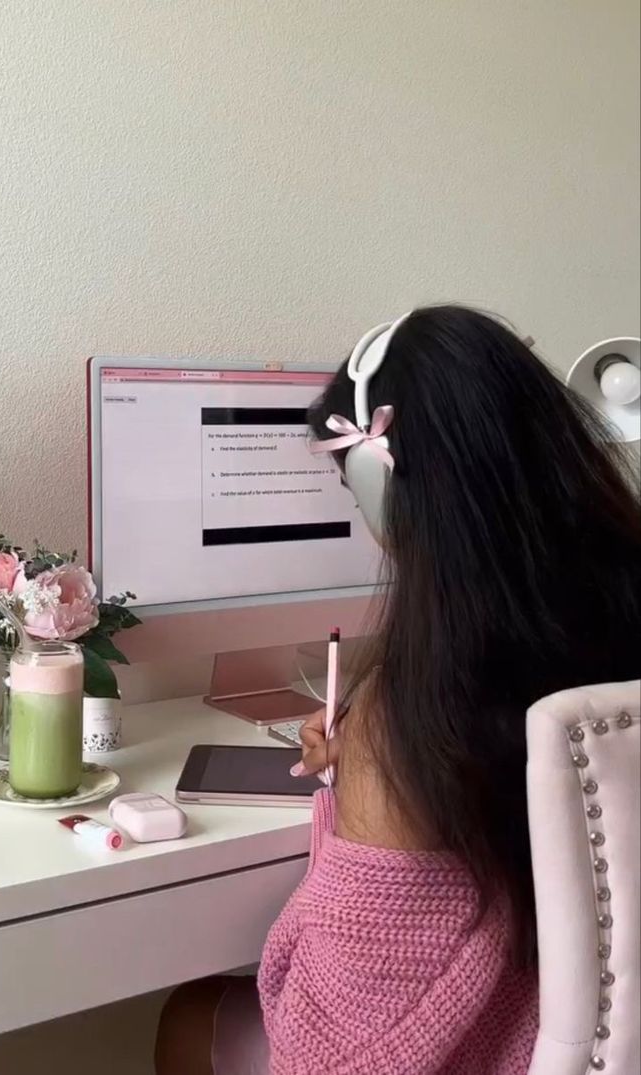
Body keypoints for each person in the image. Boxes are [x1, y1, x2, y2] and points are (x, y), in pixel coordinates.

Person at [155, 305, 641, 1075]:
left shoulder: (413, 713)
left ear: (388, 488)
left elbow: (335, 1051)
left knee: (191, 1015)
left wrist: (366, 781)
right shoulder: (612, 631)